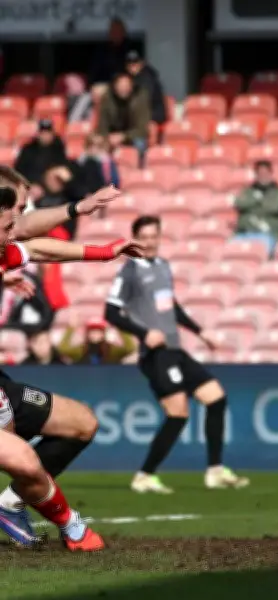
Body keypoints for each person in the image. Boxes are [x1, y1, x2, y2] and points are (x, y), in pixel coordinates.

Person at [0, 183, 144, 551]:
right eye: (8, 221)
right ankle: (73, 527)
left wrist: (103, 252)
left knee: (81, 423)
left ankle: (11, 503)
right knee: (24, 460)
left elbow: (36, 247)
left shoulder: (6, 250)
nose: (14, 227)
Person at [104, 215, 249, 494]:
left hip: (175, 349)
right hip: (155, 354)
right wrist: (143, 333)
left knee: (215, 397)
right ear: (135, 239)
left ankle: (215, 471)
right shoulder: (129, 272)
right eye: (143, 237)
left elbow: (172, 308)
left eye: (153, 236)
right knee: (178, 414)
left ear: (160, 237)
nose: (149, 242)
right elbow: (110, 312)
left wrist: (200, 332)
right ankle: (144, 475)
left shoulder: (163, 266)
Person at [233, 160, 278, 258]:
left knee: (261, 254)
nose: (263, 176)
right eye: (260, 173)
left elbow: (275, 208)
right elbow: (239, 204)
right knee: (230, 251)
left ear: (271, 174)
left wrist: (253, 205)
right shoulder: (247, 191)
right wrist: (258, 200)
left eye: (266, 173)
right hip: (245, 233)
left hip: (268, 234)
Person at [58, 317, 136, 365]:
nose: (95, 334)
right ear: (87, 334)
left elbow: (130, 348)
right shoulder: (81, 349)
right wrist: (71, 329)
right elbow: (63, 349)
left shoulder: (111, 349)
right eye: (92, 331)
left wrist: (120, 326)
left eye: (98, 331)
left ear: (103, 334)